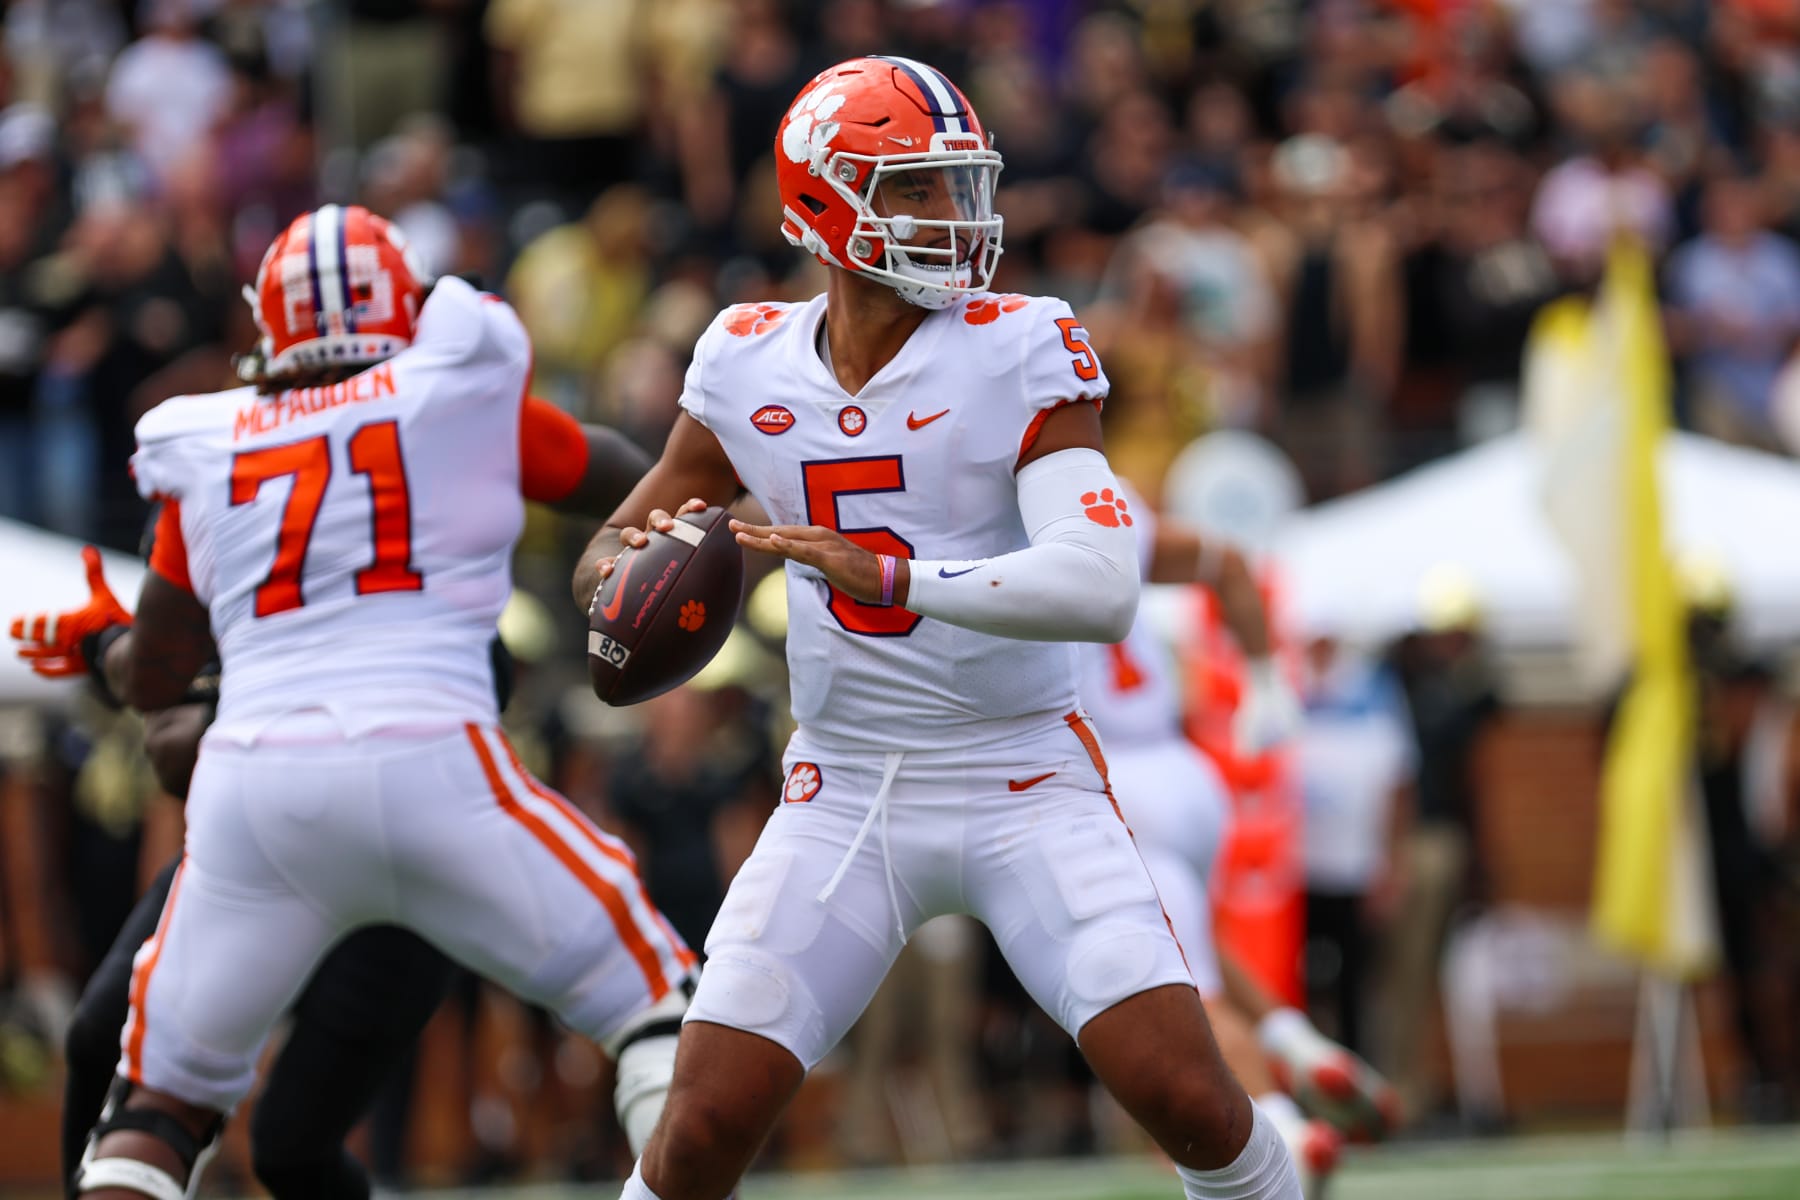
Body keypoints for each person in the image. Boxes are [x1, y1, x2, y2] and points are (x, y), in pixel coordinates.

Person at [571, 58, 1302, 1200]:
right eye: (913, 189)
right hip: (845, 786)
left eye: (959, 185)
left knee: (1192, 1103)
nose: (952, 217)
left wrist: (894, 576)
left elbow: (1101, 582)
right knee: (702, 1130)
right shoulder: (743, 356)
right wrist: (632, 581)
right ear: (824, 199)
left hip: (1023, 773)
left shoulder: (1021, 343)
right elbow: (609, 547)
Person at [14, 204, 696, 1200]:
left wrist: (106, 642)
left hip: (265, 802)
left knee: (178, 1119)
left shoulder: (216, 443)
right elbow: (625, 475)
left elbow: (163, 709)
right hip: (429, 790)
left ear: (266, 328)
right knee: (664, 1013)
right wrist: (692, 525)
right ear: (405, 309)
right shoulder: (451, 399)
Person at [1075, 486, 1398, 1198]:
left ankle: (1282, 1122)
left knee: (1184, 988)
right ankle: (1297, 1044)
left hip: (1108, 777)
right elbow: (1228, 567)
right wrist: (1264, 682)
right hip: (1182, 769)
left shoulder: (991, 508)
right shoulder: (1111, 503)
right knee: (1193, 946)